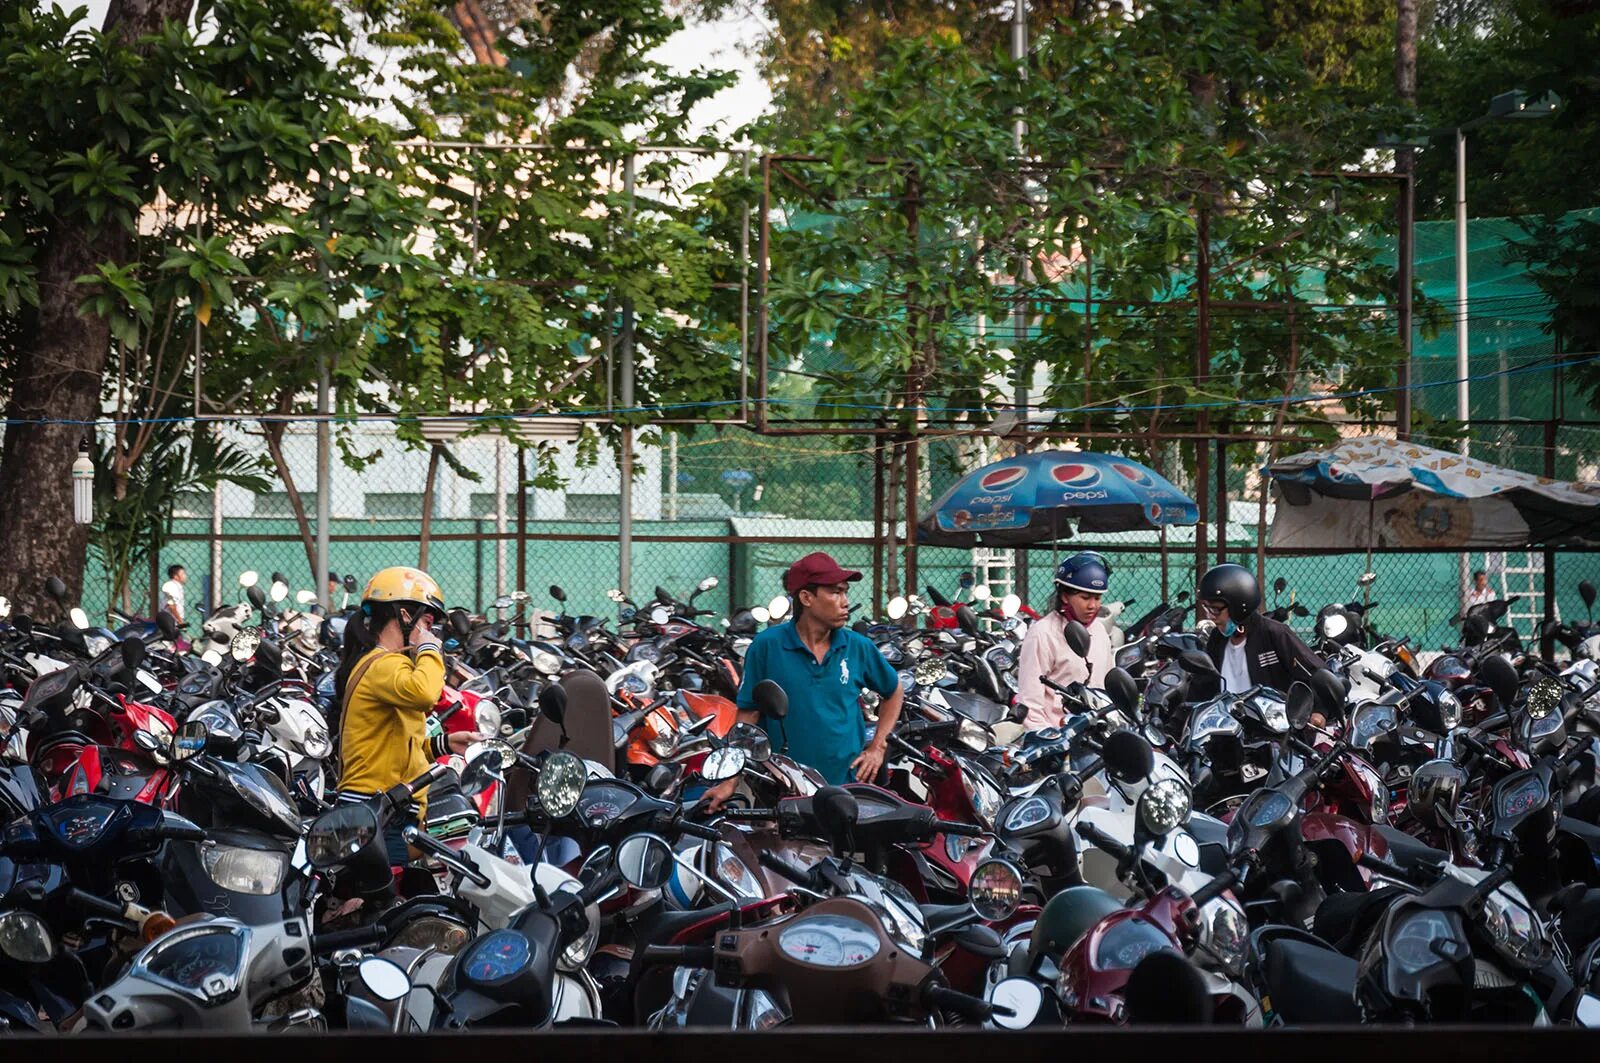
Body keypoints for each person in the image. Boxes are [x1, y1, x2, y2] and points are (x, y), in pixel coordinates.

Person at [703, 552, 903, 810]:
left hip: (846, 786)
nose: (845, 602)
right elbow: (748, 717)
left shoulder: (858, 647)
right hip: (783, 788)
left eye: (845, 592)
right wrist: (730, 779)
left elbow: (894, 691)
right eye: (835, 593)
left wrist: (877, 746)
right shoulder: (767, 646)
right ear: (806, 598)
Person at [334, 566, 482, 863]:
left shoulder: (386, 665)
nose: (431, 632)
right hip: (377, 810)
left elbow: (394, 744)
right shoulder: (383, 665)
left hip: (386, 807)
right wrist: (429, 649)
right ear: (404, 615)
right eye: (427, 622)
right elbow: (426, 692)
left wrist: (444, 744)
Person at [1015, 552, 1115, 730]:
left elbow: (1107, 687)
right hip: (1058, 736)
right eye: (1085, 598)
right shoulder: (1042, 633)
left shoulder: (1099, 631)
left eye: (1097, 598)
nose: (1092, 605)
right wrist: (1050, 741)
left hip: (1096, 736)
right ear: (1065, 597)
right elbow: (1029, 702)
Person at [1194, 563, 1324, 696]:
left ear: (1239, 607)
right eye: (1206, 607)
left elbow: (1318, 675)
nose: (1210, 616)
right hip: (1225, 714)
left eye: (1215, 609)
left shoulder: (1274, 634)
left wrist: (1319, 711)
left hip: (1269, 715)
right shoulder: (1217, 638)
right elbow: (1203, 685)